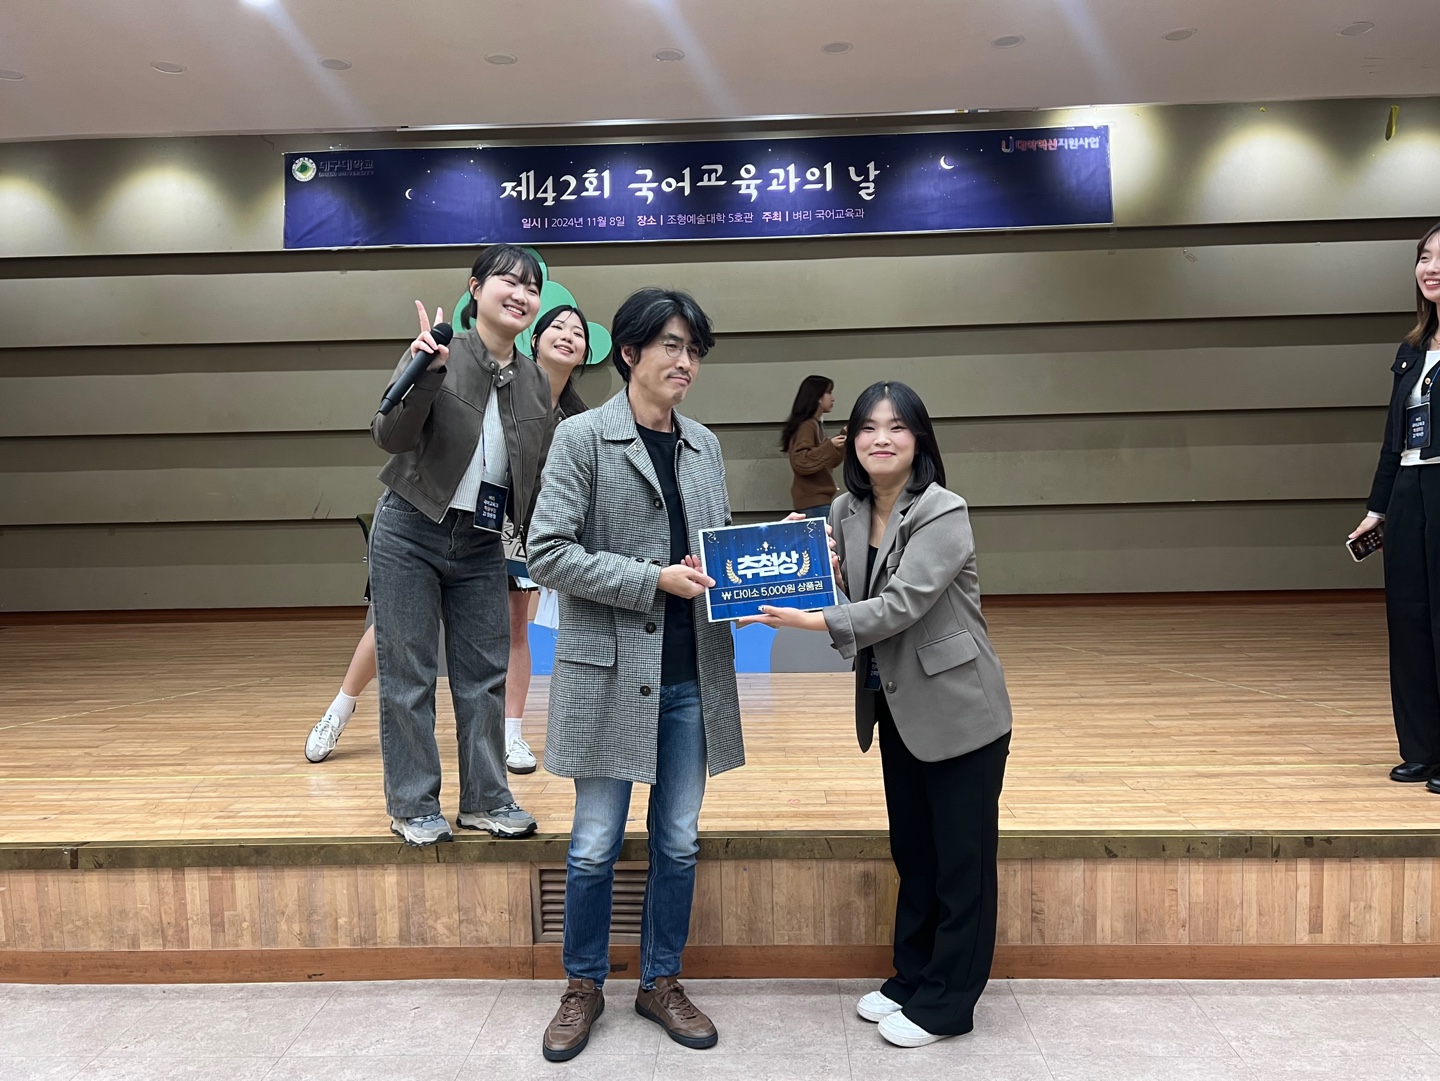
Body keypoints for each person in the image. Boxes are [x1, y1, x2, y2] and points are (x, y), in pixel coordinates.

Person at [740, 380, 1013, 1048]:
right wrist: (789, 559)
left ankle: (948, 1003)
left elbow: (900, 605)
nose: (879, 439)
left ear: (919, 439)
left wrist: (810, 620)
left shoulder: (943, 510)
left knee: (961, 862)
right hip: (897, 705)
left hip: (961, 710)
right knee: (914, 852)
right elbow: (836, 580)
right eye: (867, 427)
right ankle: (912, 976)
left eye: (895, 427)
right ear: (851, 440)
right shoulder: (846, 509)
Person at [526, 288, 739, 1062]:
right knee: (593, 843)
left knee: (678, 840)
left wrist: (766, 559)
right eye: (671, 346)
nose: (686, 362)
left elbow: (713, 551)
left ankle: (660, 980)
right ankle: (582, 984)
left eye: (694, 350)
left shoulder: (705, 444)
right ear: (628, 352)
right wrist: (652, 579)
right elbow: (547, 552)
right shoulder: (582, 437)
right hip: (610, 673)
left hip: (691, 674)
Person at [303, 304, 592, 770]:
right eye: (557, 327)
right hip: (451, 519)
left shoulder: (578, 420)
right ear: (534, 339)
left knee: (514, 628)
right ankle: (339, 709)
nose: (567, 336)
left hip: (516, 527)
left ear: (585, 353)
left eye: (577, 333)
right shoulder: (501, 382)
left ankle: (510, 733)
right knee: (394, 628)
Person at [366, 244, 554, 846]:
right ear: (475, 288)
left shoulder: (534, 381)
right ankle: (413, 804)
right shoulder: (439, 351)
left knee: (484, 676)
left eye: (532, 287)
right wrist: (424, 372)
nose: (521, 294)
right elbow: (387, 435)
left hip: (481, 542)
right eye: (508, 281)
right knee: (410, 675)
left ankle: (486, 800)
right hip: (410, 528)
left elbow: (536, 475)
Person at [1354, 220, 1440, 789]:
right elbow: (1394, 438)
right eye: (1425, 257)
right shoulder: (1410, 350)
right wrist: (1378, 508)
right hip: (1410, 491)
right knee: (1409, 620)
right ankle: (1423, 749)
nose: (1431, 268)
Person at [782, 374, 846, 517]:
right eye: (829, 392)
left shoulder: (815, 425)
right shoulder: (807, 425)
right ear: (818, 397)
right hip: (814, 506)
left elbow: (826, 462)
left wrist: (842, 438)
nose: (833, 398)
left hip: (818, 504)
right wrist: (830, 445)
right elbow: (801, 461)